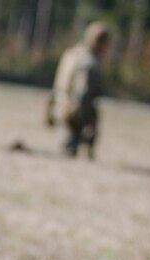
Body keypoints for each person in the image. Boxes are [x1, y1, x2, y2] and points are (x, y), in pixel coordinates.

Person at [46, 21, 110, 158]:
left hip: (60, 107)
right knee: (67, 155)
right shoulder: (88, 62)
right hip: (74, 114)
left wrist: (50, 108)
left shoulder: (72, 54)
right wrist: (89, 123)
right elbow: (83, 93)